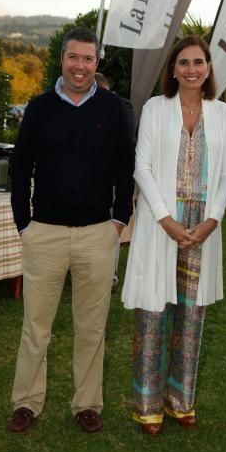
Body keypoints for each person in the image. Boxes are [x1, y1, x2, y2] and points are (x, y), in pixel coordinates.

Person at [7, 28, 135, 435]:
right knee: (35, 326)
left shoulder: (115, 109)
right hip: (43, 232)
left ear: (97, 64)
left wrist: (118, 220)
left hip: (97, 234)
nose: (80, 66)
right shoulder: (40, 107)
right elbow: (20, 166)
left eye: (88, 59)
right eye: (73, 58)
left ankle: (87, 404)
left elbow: (124, 169)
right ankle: (26, 402)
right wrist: (23, 223)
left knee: (92, 327)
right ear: (62, 59)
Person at [121, 36, 226, 436]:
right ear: (173, 69)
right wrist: (166, 220)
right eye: (183, 62)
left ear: (208, 68)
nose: (191, 69)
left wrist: (212, 221)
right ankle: (147, 404)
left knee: (191, 314)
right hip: (161, 222)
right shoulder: (156, 108)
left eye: (198, 62)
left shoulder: (222, 113)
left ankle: (180, 400)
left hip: (203, 226)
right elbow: (142, 168)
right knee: (153, 313)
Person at [94, 71, 135, 289]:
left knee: (111, 228)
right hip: (87, 181)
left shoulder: (123, 107)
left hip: (112, 179)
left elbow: (123, 141)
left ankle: (110, 275)